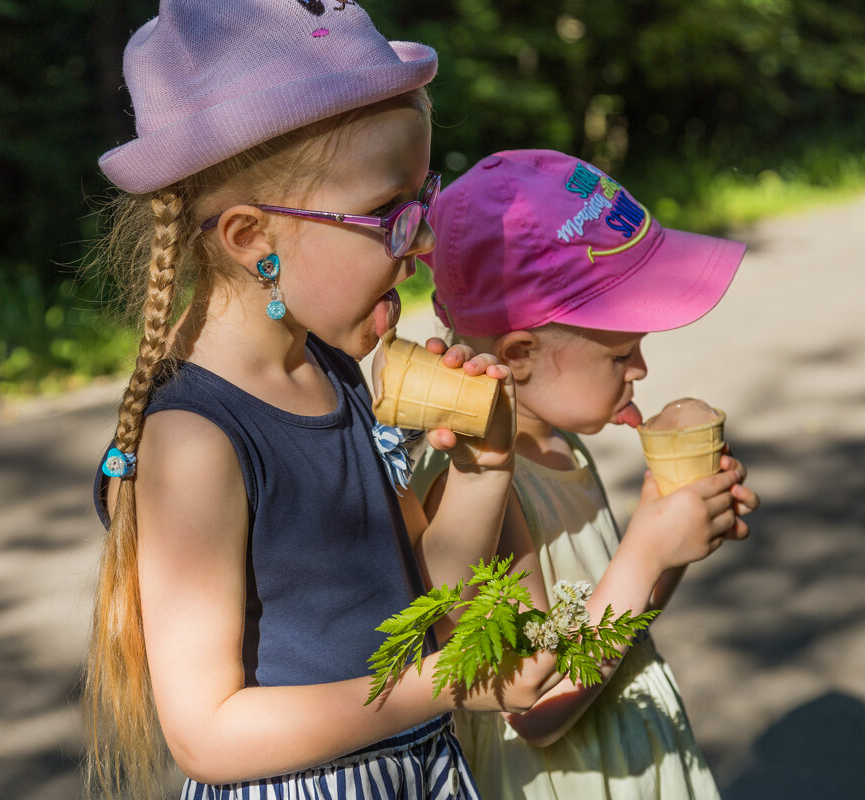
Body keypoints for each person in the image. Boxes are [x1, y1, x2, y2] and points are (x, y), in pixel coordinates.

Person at [84, 5, 558, 799]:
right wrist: (443, 685)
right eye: (388, 214)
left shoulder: (337, 373)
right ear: (249, 237)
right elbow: (207, 732)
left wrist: (484, 467)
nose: (422, 243)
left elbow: (420, 595)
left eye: (422, 200)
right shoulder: (196, 440)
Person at [410, 149, 761, 800]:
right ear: (520, 357)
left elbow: (613, 620)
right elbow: (535, 707)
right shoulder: (479, 481)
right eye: (623, 352)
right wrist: (647, 548)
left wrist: (676, 539)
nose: (642, 371)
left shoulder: (560, 441)